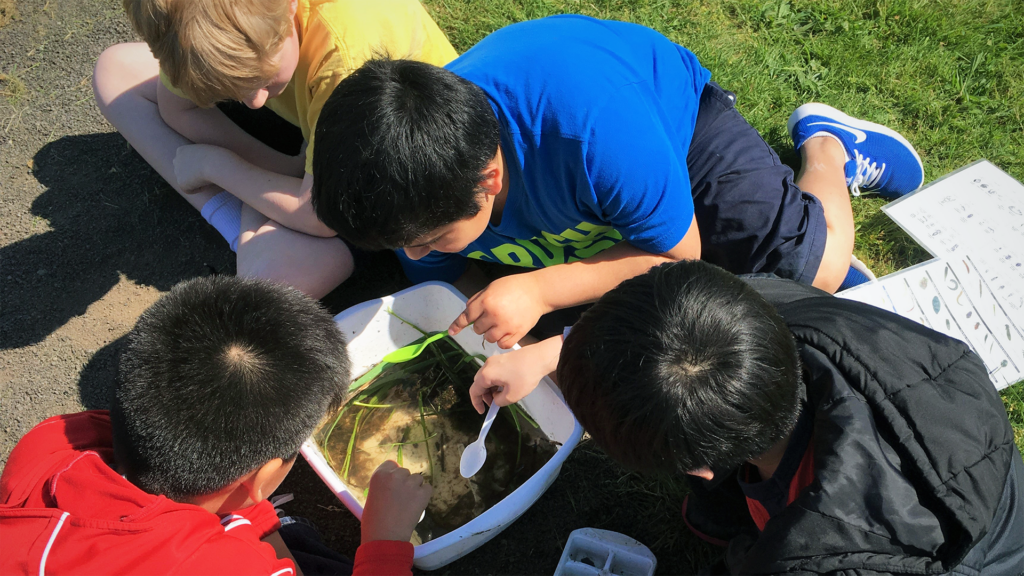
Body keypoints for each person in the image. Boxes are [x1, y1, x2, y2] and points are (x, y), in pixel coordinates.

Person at [311, 14, 924, 353]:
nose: (412, 256)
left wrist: (542, 291)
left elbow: (679, 253)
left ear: (490, 177)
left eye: (432, 238)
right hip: (597, 185)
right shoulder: (409, 185)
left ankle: (828, 148)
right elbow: (449, 280)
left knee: (814, 270)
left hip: (677, 131)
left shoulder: (591, 130)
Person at [553, 260, 1024, 575]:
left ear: (698, 470)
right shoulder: (759, 305)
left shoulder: (820, 557)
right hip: (952, 439)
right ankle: (716, 518)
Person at [0, 276, 431, 575]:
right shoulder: (224, 568)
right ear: (261, 478)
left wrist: (253, 509)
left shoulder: (51, 442)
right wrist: (384, 542)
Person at [92, 0, 458, 298]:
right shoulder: (191, 23)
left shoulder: (347, 54)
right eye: (233, 89)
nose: (253, 101)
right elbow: (178, 108)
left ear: (290, 7)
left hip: (379, 172)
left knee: (266, 284)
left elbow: (320, 214)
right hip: (306, 137)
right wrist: (283, 169)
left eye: (262, 79)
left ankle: (256, 227)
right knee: (114, 70)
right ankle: (248, 223)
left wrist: (218, 166)